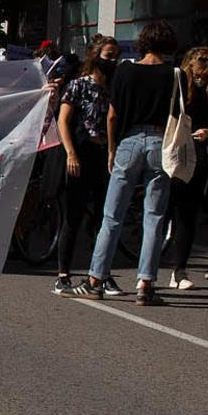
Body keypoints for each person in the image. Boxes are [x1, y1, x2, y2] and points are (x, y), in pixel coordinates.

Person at [78, 19, 182, 305]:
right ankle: (145, 283)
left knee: (111, 215)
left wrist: (112, 149)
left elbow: (112, 115)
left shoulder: (125, 70)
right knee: (153, 217)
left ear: (143, 43)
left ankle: (95, 278)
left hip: (129, 141)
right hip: (162, 141)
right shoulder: (175, 74)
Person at [156, 47, 208, 290]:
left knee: (186, 215)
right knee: (160, 211)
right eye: (198, 72)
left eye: (206, 73)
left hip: (196, 156)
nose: (201, 77)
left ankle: (179, 270)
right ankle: (150, 269)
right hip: (171, 151)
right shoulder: (176, 84)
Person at [50, 39, 117, 295]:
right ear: (95, 55)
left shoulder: (112, 87)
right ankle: (63, 274)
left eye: (116, 56)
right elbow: (64, 121)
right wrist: (71, 154)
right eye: (109, 55)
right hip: (81, 153)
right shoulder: (78, 85)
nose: (112, 61)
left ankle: (101, 273)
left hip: (104, 155)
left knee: (104, 217)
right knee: (73, 216)